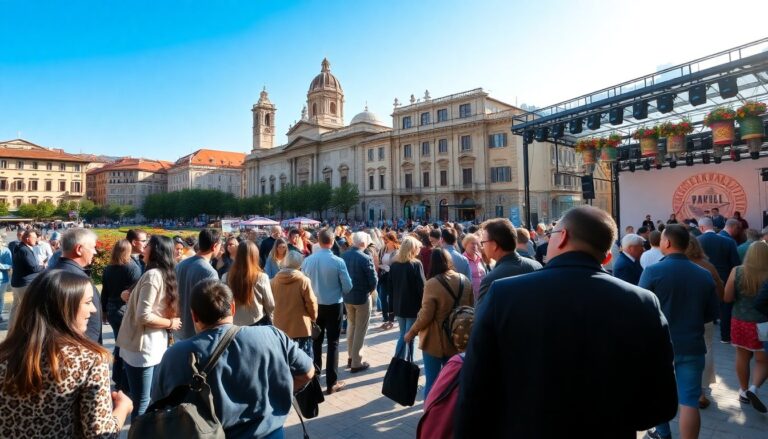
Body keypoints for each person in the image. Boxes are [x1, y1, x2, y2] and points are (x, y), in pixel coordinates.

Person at [456, 206, 677, 439]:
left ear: (562, 237)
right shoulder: (642, 303)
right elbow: (661, 405)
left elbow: (473, 391)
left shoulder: (504, 294)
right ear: (607, 257)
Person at [151, 280, 313, 438]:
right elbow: (307, 372)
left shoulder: (175, 355)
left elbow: (159, 407)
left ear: (194, 316)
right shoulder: (272, 335)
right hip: (270, 433)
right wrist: (279, 393)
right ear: (233, 308)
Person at [0, 270, 133, 437]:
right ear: (64, 308)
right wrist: (122, 408)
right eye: (88, 302)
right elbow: (100, 435)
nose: (93, 310)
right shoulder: (88, 360)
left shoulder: (5, 354)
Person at [639, 225, 719, 439]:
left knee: (658, 393)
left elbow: (641, 310)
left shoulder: (652, 271)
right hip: (692, 345)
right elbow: (710, 315)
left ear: (666, 242)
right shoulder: (704, 274)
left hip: (659, 346)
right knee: (690, 401)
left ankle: (663, 434)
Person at [116, 235, 181, 418]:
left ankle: (138, 430)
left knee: (142, 401)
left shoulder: (153, 275)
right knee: (146, 399)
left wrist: (171, 323)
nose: (143, 248)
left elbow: (143, 315)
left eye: (147, 245)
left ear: (156, 250)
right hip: (148, 345)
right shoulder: (161, 273)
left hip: (143, 346)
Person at [405, 248, 472, 399]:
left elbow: (426, 315)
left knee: (433, 382)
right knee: (454, 382)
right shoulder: (465, 280)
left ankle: (430, 411)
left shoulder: (432, 284)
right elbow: (470, 308)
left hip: (435, 340)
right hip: (458, 338)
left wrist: (411, 332)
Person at [300, 228, 352, 394]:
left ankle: (315, 378)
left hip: (315, 305)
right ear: (332, 241)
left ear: (319, 241)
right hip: (334, 304)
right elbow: (348, 286)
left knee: (316, 342)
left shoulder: (308, 261)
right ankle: (331, 382)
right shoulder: (338, 261)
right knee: (333, 343)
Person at [723, 241, 768, 414]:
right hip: (764, 324)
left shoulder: (737, 271)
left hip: (740, 321)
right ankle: (754, 388)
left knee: (742, 356)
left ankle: (743, 391)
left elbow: (727, 298)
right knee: (763, 360)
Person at [685, 236, 724, 409]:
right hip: (703, 316)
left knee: (679, 352)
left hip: (678, 317)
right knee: (706, 350)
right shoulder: (707, 266)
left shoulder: (670, 265)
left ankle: (684, 387)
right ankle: (701, 389)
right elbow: (721, 293)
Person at [102, 239, 142, 391]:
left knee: (119, 345)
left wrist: (104, 311)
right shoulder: (132, 268)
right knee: (125, 347)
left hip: (112, 309)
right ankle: (122, 381)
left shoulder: (108, 268)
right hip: (125, 308)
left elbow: (105, 291)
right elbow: (137, 291)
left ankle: (117, 378)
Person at [51, 229, 102, 343]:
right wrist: (90, 349)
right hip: (80, 346)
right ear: (79, 249)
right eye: (93, 247)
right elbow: (89, 323)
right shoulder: (75, 278)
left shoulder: (53, 273)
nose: (95, 252)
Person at [476, 218, 541, 305]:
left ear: (494, 245)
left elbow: (482, 314)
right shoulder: (537, 266)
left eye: (483, 242)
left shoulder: (491, 280)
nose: (482, 247)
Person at [698, 216, 741, 343]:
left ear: (701, 227)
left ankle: (702, 335)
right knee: (725, 307)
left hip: (702, 278)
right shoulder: (728, 242)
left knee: (701, 305)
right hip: (724, 279)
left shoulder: (696, 241)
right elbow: (736, 264)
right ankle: (725, 336)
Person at [340, 232, 378, 373]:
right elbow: (373, 280)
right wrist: (369, 291)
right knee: (360, 329)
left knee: (352, 326)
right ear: (363, 243)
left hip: (347, 297)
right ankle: (356, 362)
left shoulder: (344, 256)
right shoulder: (365, 258)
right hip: (361, 297)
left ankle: (351, 357)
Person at [175, 228, 221, 341]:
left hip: (179, 329)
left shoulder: (181, 265)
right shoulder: (210, 272)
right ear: (214, 246)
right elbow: (212, 307)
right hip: (198, 333)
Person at [271, 250, 318, 358]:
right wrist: (313, 317)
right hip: (301, 327)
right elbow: (311, 303)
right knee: (304, 360)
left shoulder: (273, 281)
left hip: (280, 327)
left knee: (284, 359)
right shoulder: (303, 280)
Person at [390, 235, 426, 360]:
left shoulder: (395, 265)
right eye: (418, 247)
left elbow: (391, 287)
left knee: (404, 334)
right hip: (412, 306)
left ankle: (406, 360)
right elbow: (422, 287)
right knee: (408, 335)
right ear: (413, 248)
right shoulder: (416, 264)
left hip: (399, 304)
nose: (419, 249)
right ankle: (399, 360)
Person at [224, 240, 275, 326]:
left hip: (235, 324)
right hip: (257, 321)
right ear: (255, 256)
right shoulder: (261, 277)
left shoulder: (226, 277)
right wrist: (272, 320)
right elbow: (270, 304)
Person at [9, 229, 44, 329]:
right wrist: (43, 266)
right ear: (28, 239)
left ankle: (12, 329)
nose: (36, 239)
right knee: (29, 308)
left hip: (17, 283)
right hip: (25, 284)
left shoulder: (19, 247)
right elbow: (34, 268)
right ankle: (27, 331)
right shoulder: (25, 250)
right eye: (34, 238)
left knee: (16, 307)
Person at [377, 231, 400, 329]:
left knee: (392, 297)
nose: (385, 241)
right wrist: (382, 266)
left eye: (386, 239)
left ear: (392, 240)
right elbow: (378, 262)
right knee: (382, 297)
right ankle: (385, 317)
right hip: (384, 276)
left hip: (394, 276)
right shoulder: (382, 249)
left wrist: (391, 268)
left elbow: (400, 263)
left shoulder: (398, 250)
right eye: (384, 239)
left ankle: (392, 317)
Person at [461, 233, 486, 301]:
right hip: (471, 297)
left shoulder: (480, 257)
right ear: (466, 244)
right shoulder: (462, 259)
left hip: (483, 294)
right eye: (472, 243)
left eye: (476, 244)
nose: (475, 246)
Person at [0, 241, 11, 323]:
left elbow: (9, 265)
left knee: (0, 297)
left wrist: (0, 265)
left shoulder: (6, 251)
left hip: (2, 279)